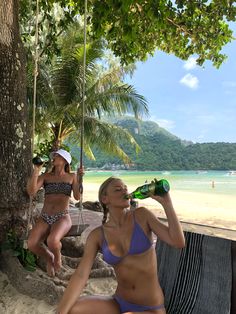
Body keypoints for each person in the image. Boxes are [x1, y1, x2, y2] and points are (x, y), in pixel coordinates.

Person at [56, 176, 185, 314]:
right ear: (105, 199)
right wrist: (61, 312)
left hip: (150, 308)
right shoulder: (98, 235)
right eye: (118, 189)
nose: (124, 191)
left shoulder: (142, 216)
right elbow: (81, 274)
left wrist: (166, 202)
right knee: (73, 309)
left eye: (125, 188)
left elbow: (178, 242)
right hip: (118, 303)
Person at [26, 148, 83, 277]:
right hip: (45, 216)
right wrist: (36, 170)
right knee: (31, 244)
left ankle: (57, 259)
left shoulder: (71, 176)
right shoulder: (46, 176)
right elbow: (31, 192)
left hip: (62, 217)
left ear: (64, 161)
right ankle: (49, 257)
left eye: (57, 156)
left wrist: (80, 178)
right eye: (54, 156)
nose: (54, 157)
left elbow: (77, 196)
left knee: (53, 241)